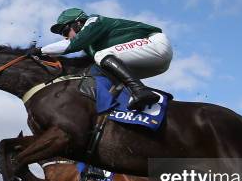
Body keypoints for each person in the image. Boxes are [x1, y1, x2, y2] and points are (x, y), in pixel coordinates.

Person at [30, 8, 173, 111]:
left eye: (66, 31)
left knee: (100, 56)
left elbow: (72, 45)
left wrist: (40, 50)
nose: (66, 36)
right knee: (100, 72)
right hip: (155, 63)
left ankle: (140, 90)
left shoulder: (94, 21)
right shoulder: (90, 45)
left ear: (78, 23)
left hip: (155, 44)